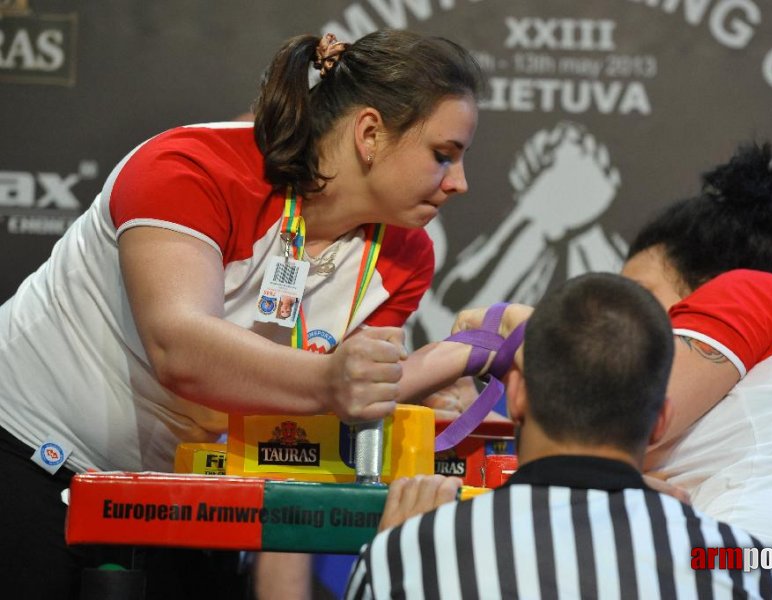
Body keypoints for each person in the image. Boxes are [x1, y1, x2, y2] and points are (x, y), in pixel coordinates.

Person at [0, 28, 482, 598]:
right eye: (442, 155)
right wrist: (333, 379)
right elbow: (180, 350)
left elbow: (327, 410)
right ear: (370, 132)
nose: (460, 183)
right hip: (29, 462)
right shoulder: (191, 166)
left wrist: (457, 366)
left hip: (189, 505)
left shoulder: (406, 253)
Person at [448, 143, 772, 599]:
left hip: (756, 572)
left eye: (641, 293)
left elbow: (600, 395)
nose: (624, 314)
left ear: (708, 289)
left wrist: (503, 321)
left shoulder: (750, 290)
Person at [344, 273, 772, 599]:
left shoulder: (408, 555)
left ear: (517, 395)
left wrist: (400, 555)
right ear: (660, 420)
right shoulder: (740, 564)